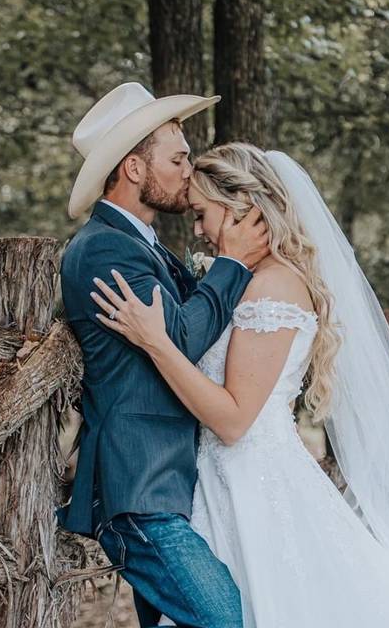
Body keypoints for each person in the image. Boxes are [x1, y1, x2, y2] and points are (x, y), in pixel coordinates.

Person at [90, 143, 389, 627]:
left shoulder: (275, 286)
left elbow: (234, 420)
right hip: (218, 484)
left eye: (202, 214)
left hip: (255, 485)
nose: (196, 229)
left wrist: (158, 343)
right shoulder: (244, 279)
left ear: (243, 206)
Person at [58, 84, 269, 628]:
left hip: (167, 483)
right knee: (225, 618)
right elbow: (179, 338)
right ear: (133, 168)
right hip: (137, 490)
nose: (188, 170)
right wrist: (235, 264)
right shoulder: (103, 249)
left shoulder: (145, 247)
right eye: (176, 158)